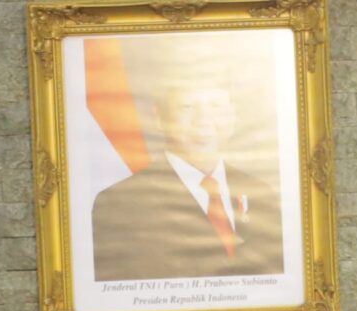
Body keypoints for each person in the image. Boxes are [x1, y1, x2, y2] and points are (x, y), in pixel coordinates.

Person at [91, 54, 284, 281]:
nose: (202, 120)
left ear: (231, 117)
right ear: (160, 118)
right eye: (187, 106)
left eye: (215, 105)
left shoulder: (262, 194)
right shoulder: (119, 205)